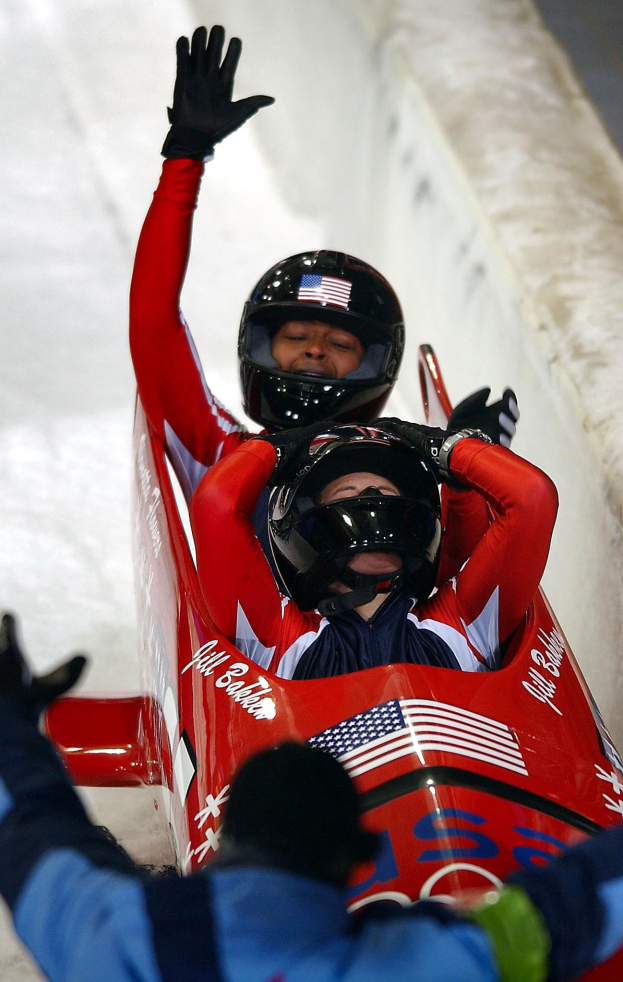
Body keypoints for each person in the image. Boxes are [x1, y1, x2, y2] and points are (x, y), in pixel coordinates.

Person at [0, 612, 622, 982]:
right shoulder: (417, 965)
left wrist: (8, 722)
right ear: (349, 861)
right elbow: (572, 906)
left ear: (228, 832)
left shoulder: (106, 933)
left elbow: (30, 825)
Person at [129, 24, 519, 577]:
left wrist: (469, 475)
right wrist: (184, 160)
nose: (314, 351)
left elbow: (456, 581)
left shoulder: (405, 471)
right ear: (260, 348)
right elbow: (153, 322)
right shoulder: (218, 453)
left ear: (372, 366)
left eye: (339, 343)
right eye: (296, 337)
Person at [189, 420, 558, 678]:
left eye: (384, 493)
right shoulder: (279, 639)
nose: (370, 501)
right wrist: (275, 446)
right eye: (347, 494)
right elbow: (217, 503)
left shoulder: (461, 624)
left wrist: (448, 449)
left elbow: (532, 498)